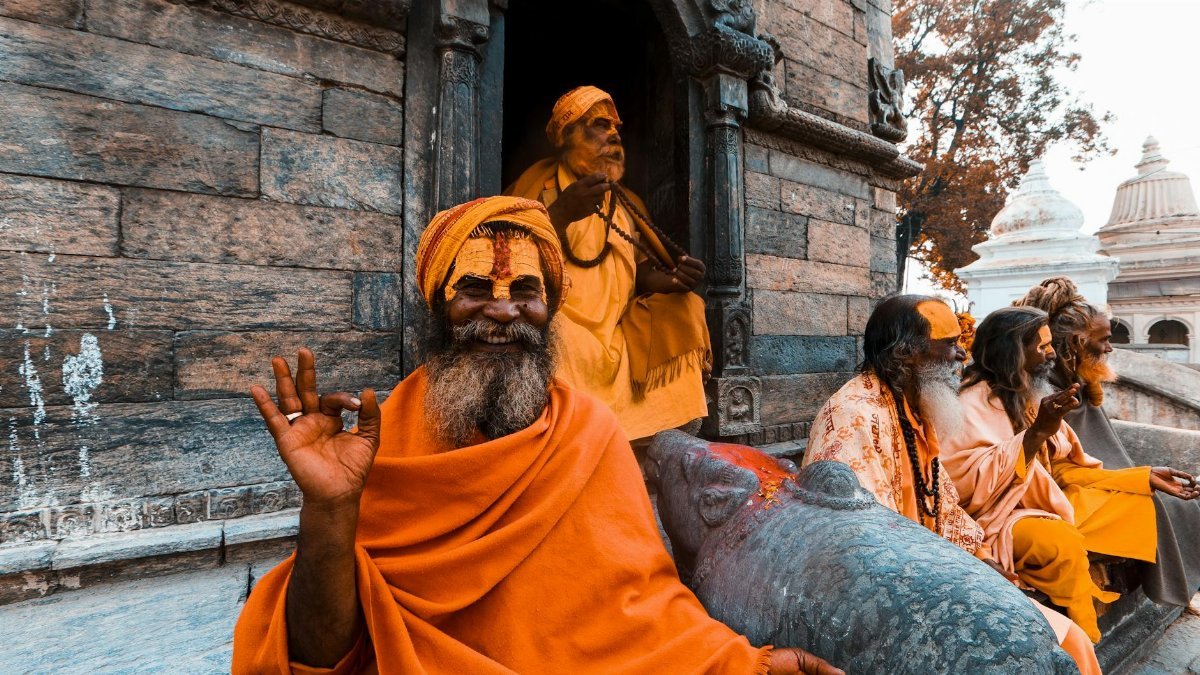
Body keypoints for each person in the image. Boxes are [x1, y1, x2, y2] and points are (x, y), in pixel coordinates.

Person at [231, 196, 839, 674]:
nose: (502, 311)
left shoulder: (590, 434)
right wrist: (330, 509)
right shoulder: (377, 445)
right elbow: (321, 656)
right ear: (438, 307)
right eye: (474, 289)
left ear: (550, 308)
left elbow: (643, 608)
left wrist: (737, 665)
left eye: (525, 291)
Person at [803, 294, 1100, 673]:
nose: (962, 355)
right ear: (906, 354)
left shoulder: (913, 404)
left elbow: (941, 503)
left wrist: (982, 559)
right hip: (888, 593)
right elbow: (863, 542)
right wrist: (963, 578)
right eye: (949, 345)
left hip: (935, 570)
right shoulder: (854, 416)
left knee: (1068, 641)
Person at [942, 307, 1199, 642]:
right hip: (1000, 517)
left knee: (1139, 505)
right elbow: (961, 489)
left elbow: (1064, 469)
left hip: (1049, 502)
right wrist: (1034, 435)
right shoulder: (968, 403)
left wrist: (1141, 477)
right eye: (1043, 346)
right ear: (1015, 351)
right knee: (1059, 541)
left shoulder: (1032, 394)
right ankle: (1084, 638)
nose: (1051, 353)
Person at [505, 85, 710, 441]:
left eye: (616, 127)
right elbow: (507, 258)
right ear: (567, 134)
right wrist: (562, 213)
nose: (614, 134)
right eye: (600, 124)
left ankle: (663, 431)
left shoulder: (627, 201)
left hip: (618, 327)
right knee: (549, 333)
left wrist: (673, 281)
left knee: (685, 307)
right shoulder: (533, 187)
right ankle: (571, 436)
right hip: (562, 319)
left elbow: (643, 269)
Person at [1016, 276, 1200, 608]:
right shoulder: (1044, 393)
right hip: (1051, 502)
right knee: (1155, 504)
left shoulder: (1078, 383)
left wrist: (1141, 477)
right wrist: (1136, 480)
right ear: (1074, 343)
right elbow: (1054, 476)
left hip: (1090, 484)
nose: (1110, 348)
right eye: (1104, 339)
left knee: (1177, 500)